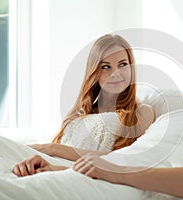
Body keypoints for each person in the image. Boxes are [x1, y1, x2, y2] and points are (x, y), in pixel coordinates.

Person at [0, 24, 183, 199]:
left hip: (123, 188)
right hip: (103, 178)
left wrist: (115, 174)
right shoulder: (177, 116)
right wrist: (55, 167)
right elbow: (123, 159)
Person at [27, 34, 156, 161]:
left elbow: (124, 160)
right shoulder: (80, 112)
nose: (115, 73)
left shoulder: (142, 112)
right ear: (94, 72)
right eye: (106, 67)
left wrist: (54, 148)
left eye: (122, 64)